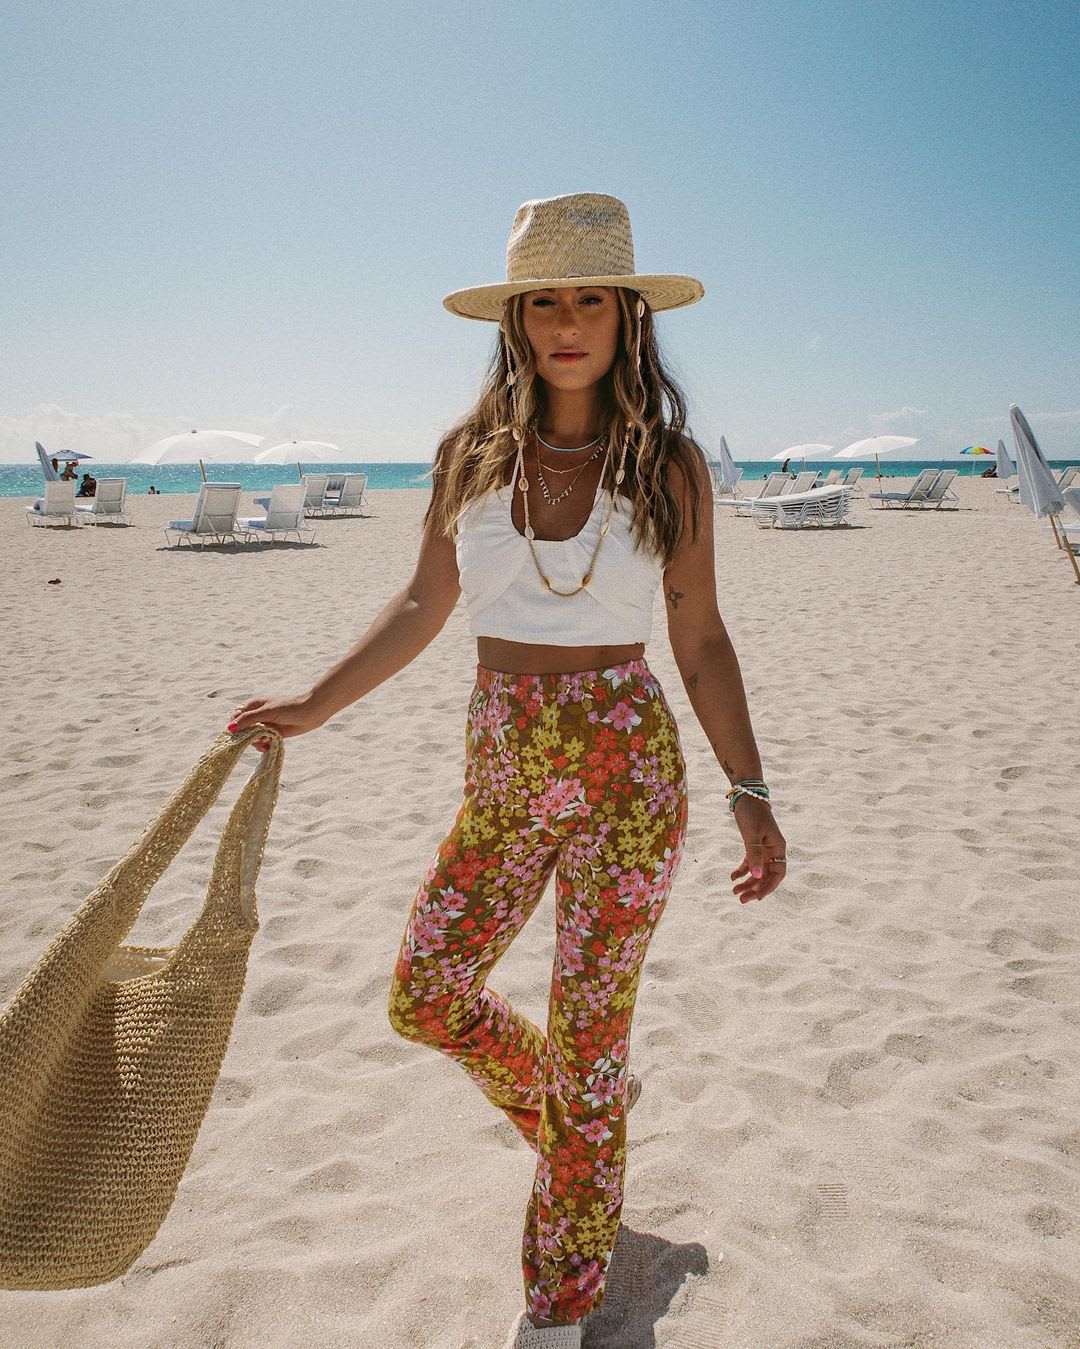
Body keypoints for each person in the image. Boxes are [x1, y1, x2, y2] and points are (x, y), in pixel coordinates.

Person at [228, 193, 786, 1349]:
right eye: (546, 300)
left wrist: (752, 792)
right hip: (502, 774)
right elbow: (425, 603)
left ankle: (560, 1300)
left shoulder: (669, 465)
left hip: (629, 777)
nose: (567, 321)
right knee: (424, 995)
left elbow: (701, 637)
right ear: (517, 318)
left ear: (627, 316)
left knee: (592, 1043)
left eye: (590, 298)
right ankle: (581, 1123)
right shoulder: (466, 456)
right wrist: (314, 702)